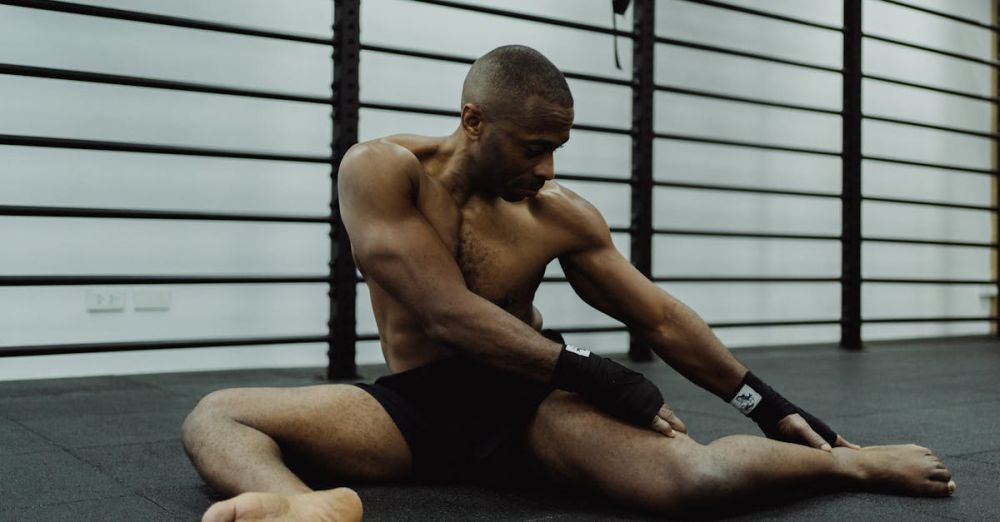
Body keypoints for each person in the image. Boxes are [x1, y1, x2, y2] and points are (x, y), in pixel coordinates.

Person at [182, 45, 955, 522]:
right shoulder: (381, 170)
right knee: (219, 417)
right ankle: (299, 507)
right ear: (474, 121)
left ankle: (847, 463)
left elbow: (659, 317)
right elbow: (445, 313)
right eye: (533, 146)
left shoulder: (557, 215)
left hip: (528, 399)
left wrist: (771, 405)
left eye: (558, 147)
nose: (547, 167)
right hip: (419, 403)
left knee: (695, 484)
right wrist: (609, 382)